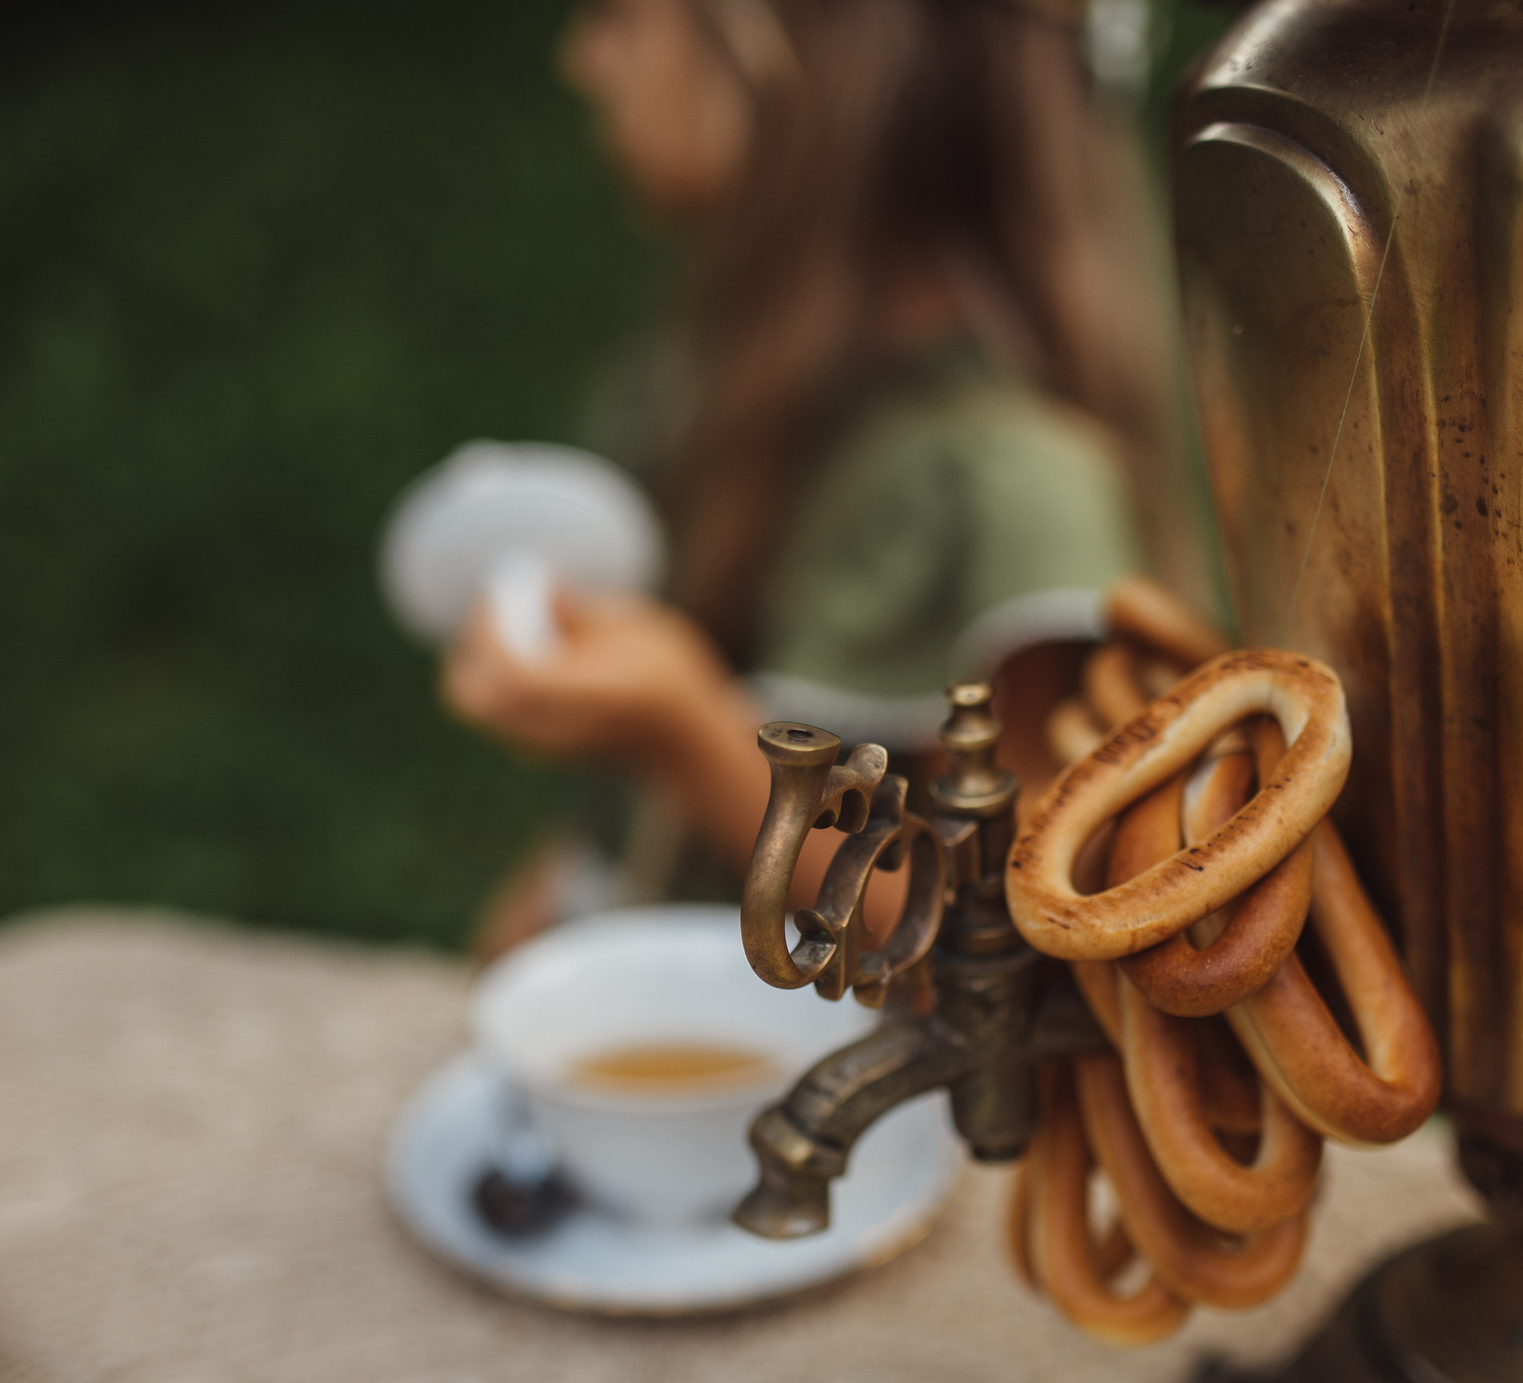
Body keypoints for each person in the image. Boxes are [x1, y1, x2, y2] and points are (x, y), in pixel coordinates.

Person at [445, 0, 1200, 941]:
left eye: (621, 16)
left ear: (789, 54)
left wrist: (684, 731)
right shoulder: (740, 401)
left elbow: (1004, 920)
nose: (582, 59)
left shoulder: (1008, 488)